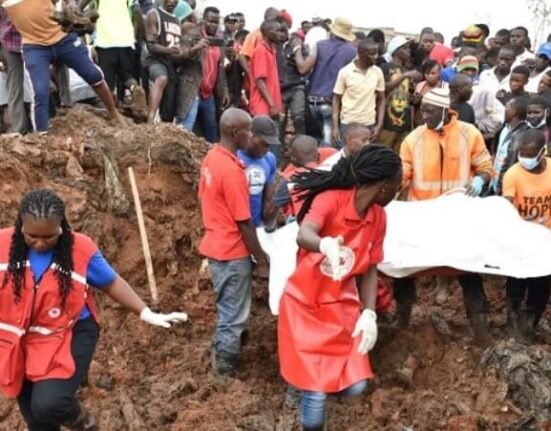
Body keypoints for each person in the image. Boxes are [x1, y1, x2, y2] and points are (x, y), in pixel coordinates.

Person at [0, 189, 187, 429]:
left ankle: (86, 423)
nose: (39, 243)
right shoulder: (3, 245)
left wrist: (146, 312)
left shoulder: (80, 249)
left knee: (49, 404)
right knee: (36, 419)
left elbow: (111, 282)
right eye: (31, 236)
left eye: (49, 237)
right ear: (20, 226)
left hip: (70, 332)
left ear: (61, 227)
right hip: (21, 337)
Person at [278, 144, 402, 431]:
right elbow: (305, 233)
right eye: (396, 186)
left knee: (356, 386)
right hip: (305, 305)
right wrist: (324, 243)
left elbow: (370, 268)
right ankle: (306, 398)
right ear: (383, 186)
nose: (397, 193)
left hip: (341, 309)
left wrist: (369, 313)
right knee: (317, 394)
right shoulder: (331, 200)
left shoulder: (378, 218)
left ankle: (304, 382)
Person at [397, 88, 495, 344]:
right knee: (403, 270)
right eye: (422, 109)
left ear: (444, 110)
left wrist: (480, 181)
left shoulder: (468, 133)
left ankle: (480, 329)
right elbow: (403, 174)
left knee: (469, 273)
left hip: (457, 219)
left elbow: (485, 167)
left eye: (429, 110)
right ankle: (401, 321)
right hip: (422, 218)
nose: (423, 115)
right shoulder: (413, 139)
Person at [198, 108, 270, 376]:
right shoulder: (231, 171)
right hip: (231, 251)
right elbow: (243, 221)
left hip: (216, 245)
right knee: (233, 315)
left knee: (228, 307)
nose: (251, 135)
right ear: (235, 132)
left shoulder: (211, 158)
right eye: (248, 130)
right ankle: (223, 374)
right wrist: (262, 260)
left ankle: (224, 358)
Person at [1, 0, 125, 134]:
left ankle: (113, 112)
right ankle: (42, 135)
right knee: (40, 91)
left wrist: (74, 6)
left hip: (62, 38)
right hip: (34, 46)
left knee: (93, 75)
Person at [502, 129, 551, 340]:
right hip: (520, 240)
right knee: (516, 283)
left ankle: (531, 323)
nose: (525, 159)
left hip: (545, 240)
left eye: (530, 154)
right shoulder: (513, 174)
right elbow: (507, 206)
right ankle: (512, 320)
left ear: (543, 151)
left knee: (541, 287)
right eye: (522, 153)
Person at [294, 16, 357, 147]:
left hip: (312, 101)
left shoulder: (320, 45)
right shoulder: (352, 52)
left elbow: (303, 69)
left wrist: (296, 49)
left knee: (314, 143)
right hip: (332, 103)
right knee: (328, 146)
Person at [79, 0, 146, 115]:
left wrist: (76, 11)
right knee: (127, 76)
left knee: (107, 82)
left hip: (105, 42)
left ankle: (111, 112)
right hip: (126, 41)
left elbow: (81, 7)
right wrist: (136, 38)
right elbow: (137, 12)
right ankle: (135, 88)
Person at [332, 38, 385, 146]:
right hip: (348, 125)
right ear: (361, 54)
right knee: (347, 158)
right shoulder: (345, 72)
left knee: (365, 159)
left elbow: (381, 99)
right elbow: (336, 100)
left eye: (377, 53)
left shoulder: (377, 72)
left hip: (369, 125)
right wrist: (335, 127)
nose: (376, 57)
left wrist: (379, 125)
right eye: (372, 54)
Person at [379, 36, 423, 153]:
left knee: (399, 158)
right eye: (405, 48)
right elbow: (384, 88)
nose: (409, 51)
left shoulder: (406, 70)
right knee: (383, 155)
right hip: (387, 123)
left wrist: (414, 99)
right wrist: (404, 76)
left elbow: (404, 94)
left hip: (405, 123)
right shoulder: (385, 67)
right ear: (396, 50)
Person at [195, 7, 230, 142]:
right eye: (210, 21)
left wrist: (225, 91)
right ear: (203, 20)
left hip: (208, 92)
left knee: (211, 126)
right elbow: (183, 56)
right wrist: (196, 47)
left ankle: (214, 156)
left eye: (216, 22)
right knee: (189, 123)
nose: (213, 25)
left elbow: (220, 70)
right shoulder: (194, 35)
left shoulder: (219, 42)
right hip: (194, 89)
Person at [237, 115, 279, 227]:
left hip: (257, 227)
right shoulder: (234, 156)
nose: (267, 149)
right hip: (234, 227)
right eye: (264, 144)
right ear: (251, 136)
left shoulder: (270, 159)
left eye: (269, 145)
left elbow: (267, 200)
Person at [144, 0, 181, 124]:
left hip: (171, 65)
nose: (172, 2)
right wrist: (169, 50)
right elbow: (151, 46)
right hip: (156, 60)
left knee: (168, 113)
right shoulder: (154, 14)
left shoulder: (177, 20)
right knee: (162, 78)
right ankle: (149, 119)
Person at [0, 8, 30, 134]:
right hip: (10, 43)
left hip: (7, 43)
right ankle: (19, 130)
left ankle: (17, 129)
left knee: (13, 87)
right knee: (15, 88)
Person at [492, 96, 529, 194]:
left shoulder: (521, 135)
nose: (504, 109)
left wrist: (502, 187)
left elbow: (510, 164)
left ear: (513, 112)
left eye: (507, 106)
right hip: (494, 183)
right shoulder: (505, 129)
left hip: (506, 187)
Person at [249, 20, 283, 121]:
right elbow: (259, 81)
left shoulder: (271, 50)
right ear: (268, 32)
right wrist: (272, 105)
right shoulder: (261, 50)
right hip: (262, 108)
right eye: (277, 31)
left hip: (270, 108)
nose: (280, 34)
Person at [278, 30, 308, 135]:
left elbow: (304, 67)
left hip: (296, 86)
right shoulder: (275, 46)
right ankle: (279, 149)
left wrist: (297, 50)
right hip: (280, 88)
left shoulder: (301, 48)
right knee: (280, 121)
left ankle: (301, 147)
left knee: (298, 117)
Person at [412, 59, 443, 126]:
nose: (430, 76)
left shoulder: (445, 87)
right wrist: (416, 100)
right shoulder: (420, 86)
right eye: (427, 73)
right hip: (419, 123)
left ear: (439, 73)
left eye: (433, 73)